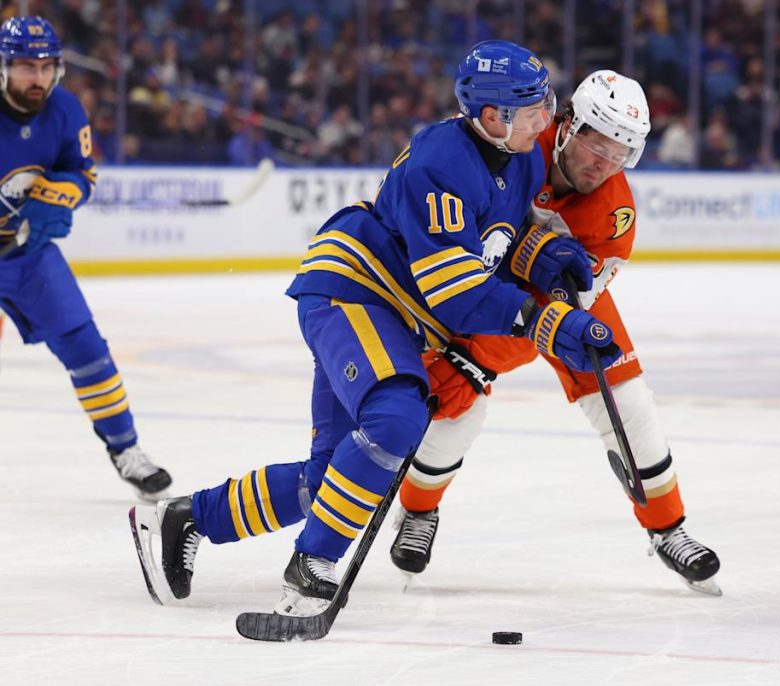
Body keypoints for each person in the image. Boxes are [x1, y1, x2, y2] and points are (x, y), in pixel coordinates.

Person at [129, 40, 619, 616]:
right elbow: (456, 290)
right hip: (357, 292)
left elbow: (496, 240)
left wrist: (543, 254)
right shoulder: (442, 160)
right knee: (397, 416)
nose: (546, 117)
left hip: (388, 313)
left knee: (333, 480)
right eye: (534, 108)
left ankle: (183, 519)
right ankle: (313, 561)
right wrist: (545, 323)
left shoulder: (522, 153)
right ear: (493, 117)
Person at [389, 71, 722, 596]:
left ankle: (668, 527)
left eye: (621, 155)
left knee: (629, 401)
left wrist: (488, 356)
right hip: (483, 284)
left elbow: (567, 306)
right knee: (459, 406)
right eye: (598, 146)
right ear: (567, 125)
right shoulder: (518, 138)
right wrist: (481, 352)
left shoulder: (616, 217)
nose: (603, 165)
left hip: (558, 304)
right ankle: (417, 511)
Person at [0, 16, 171, 499]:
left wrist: (56, 200)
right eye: (24, 68)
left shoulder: (65, 110)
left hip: (28, 256)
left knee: (88, 351)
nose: (36, 78)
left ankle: (126, 450)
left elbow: (81, 173)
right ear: (3, 69)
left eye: (45, 66)